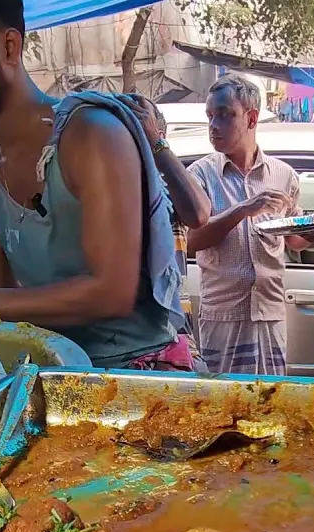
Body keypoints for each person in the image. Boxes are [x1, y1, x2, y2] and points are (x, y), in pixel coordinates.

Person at [0, 0, 190, 371]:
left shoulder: (91, 135)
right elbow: (4, 318)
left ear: (9, 47)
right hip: (56, 375)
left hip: (144, 378)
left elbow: (111, 293)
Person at [186, 75, 314, 375]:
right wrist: (241, 210)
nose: (214, 125)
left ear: (251, 118)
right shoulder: (199, 176)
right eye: (210, 116)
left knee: (269, 405)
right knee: (221, 408)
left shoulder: (283, 175)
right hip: (222, 316)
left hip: (270, 313)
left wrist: (312, 233)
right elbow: (191, 241)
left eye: (225, 115)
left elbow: (292, 240)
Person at [120, 93, 211, 371]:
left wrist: (156, 145)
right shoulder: (104, 187)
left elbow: (198, 213)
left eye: (140, 125)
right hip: (125, 345)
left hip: (175, 339)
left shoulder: (165, 185)